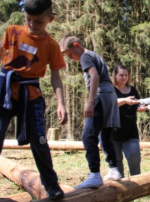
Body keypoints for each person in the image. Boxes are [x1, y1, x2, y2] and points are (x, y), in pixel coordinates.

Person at [0, 0, 67, 199]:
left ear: (50, 19)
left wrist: (61, 103)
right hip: (5, 89)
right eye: (28, 20)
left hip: (31, 94)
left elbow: (56, 76)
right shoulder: (12, 31)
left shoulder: (51, 45)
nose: (32, 25)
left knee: (39, 141)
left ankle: (51, 186)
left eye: (38, 22)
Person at [59, 35, 120, 189]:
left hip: (101, 95)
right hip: (110, 95)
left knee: (88, 136)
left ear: (76, 45)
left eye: (70, 54)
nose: (71, 58)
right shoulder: (94, 54)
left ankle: (94, 174)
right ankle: (114, 169)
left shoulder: (85, 56)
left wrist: (91, 101)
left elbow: (94, 76)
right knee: (104, 135)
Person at [110, 64, 141, 176]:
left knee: (134, 157)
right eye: (121, 75)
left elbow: (138, 102)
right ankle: (120, 188)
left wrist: (141, 107)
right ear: (115, 75)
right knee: (117, 160)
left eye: (126, 75)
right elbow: (110, 104)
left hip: (130, 130)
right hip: (113, 131)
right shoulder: (110, 89)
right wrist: (125, 100)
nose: (124, 77)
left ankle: (137, 183)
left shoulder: (132, 89)